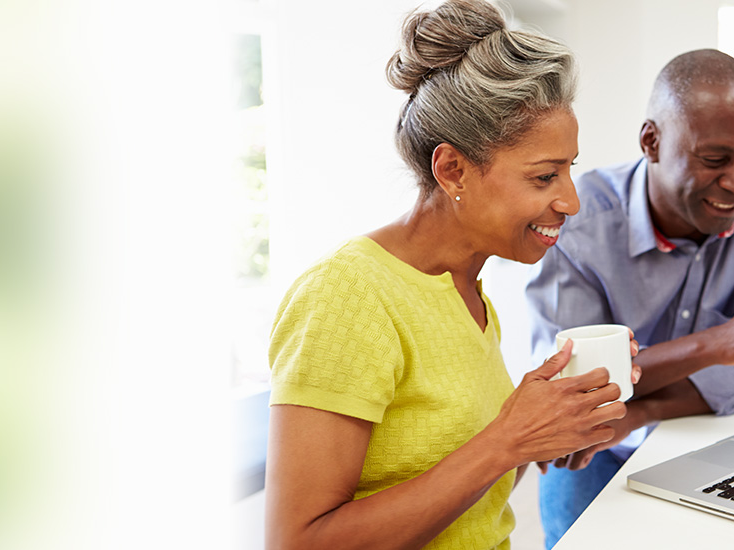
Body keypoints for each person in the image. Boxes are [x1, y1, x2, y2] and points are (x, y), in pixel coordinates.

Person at [263, 2, 627, 549]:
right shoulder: (348, 297)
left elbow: (465, 502)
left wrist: (542, 433)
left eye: (569, 169)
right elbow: (298, 542)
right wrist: (507, 440)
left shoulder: (468, 295)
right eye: (545, 176)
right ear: (452, 169)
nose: (570, 201)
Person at [522, 49, 734, 540]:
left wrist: (640, 409)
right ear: (651, 142)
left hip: (717, 454)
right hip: (595, 455)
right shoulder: (577, 219)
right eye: (715, 159)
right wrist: (716, 345)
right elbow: (572, 394)